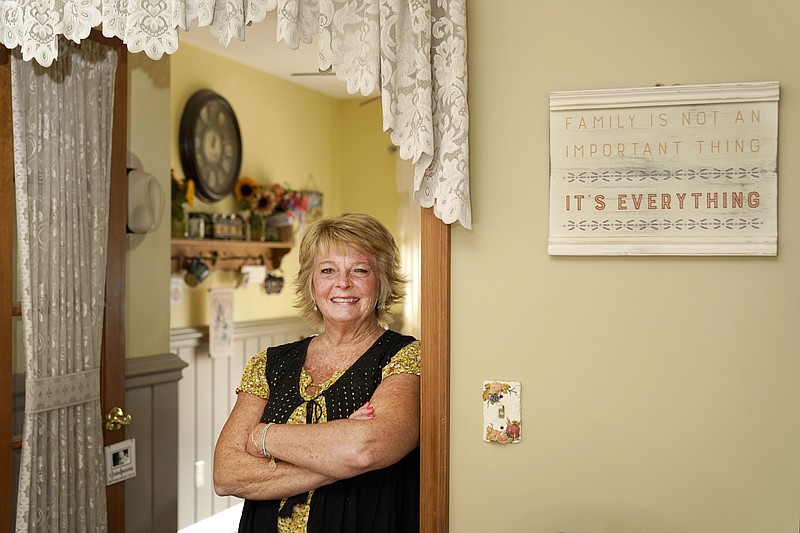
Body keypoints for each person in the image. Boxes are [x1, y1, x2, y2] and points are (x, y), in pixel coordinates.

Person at [214, 213, 421, 533]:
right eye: (327, 270)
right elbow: (226, 474)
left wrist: (263, 436)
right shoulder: (268, 363)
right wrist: (339, 454)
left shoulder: (407, 356)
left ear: (382, 281)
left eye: (360, 270)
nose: (343, 283)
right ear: (311, 283)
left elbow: (367, 448)